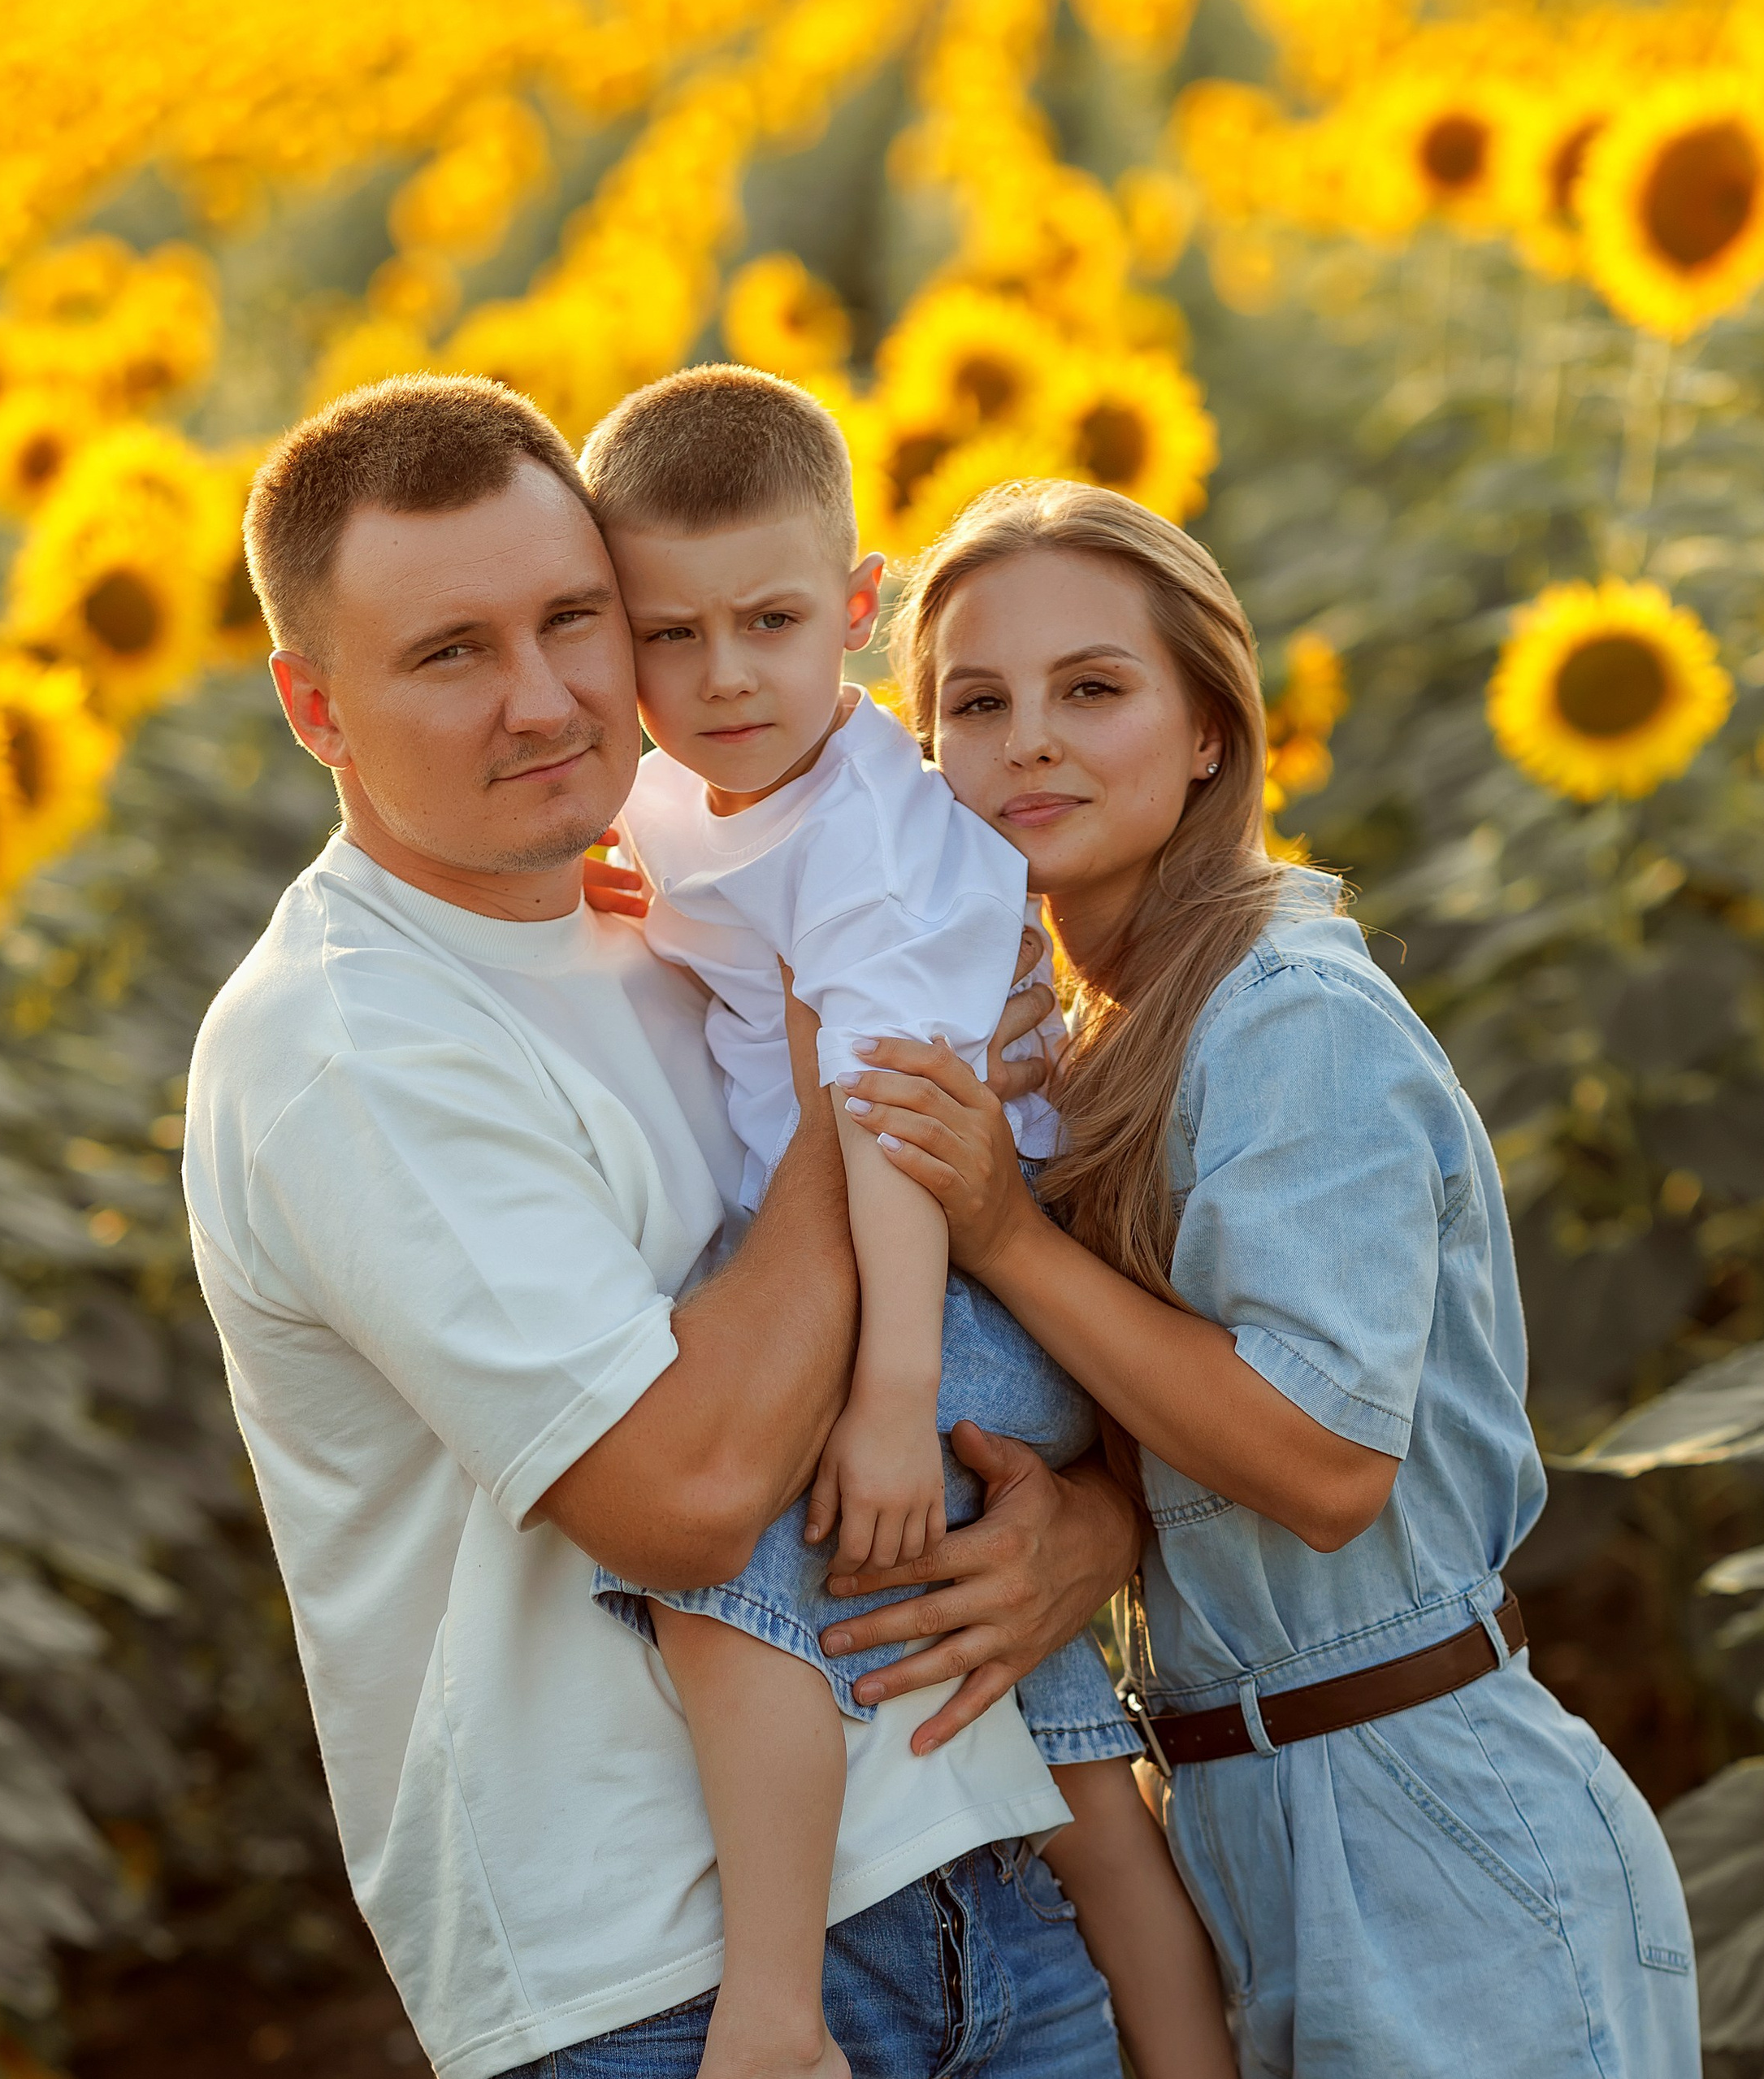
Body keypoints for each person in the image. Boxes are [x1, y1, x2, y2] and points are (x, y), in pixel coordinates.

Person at [182, 376, 1146, 2079]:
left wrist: (1088, 1527)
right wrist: (858, 1080)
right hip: (662, 1978)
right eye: (449, 653)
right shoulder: (351, 1044)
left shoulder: (667, 911)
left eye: (574, 620)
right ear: (311, 707)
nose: (549, 699)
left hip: (977, 1864)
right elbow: (689, 1498)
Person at [824, 478, 1702, 2077]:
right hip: (1251, 1813)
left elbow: (1321, 1459)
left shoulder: (1285, 1017)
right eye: (975, 701)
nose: (1028, 740)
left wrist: (1006, 1232)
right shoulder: (1086, 1032)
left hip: (1424, 1826)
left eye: (1092, 688)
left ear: (1211, 730)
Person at [574, 364, 1237, 2079]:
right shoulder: (695, 785)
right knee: (1076, 1759)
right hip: (926, 1279)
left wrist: (879, 1398)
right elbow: (676, 867)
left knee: (728, 1583)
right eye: (668, 637)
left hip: (945, 1291)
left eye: (771, 622)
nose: (720, 678)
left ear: (860, 612)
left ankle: (774, 2011)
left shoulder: (875, 836)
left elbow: (895, 1126)